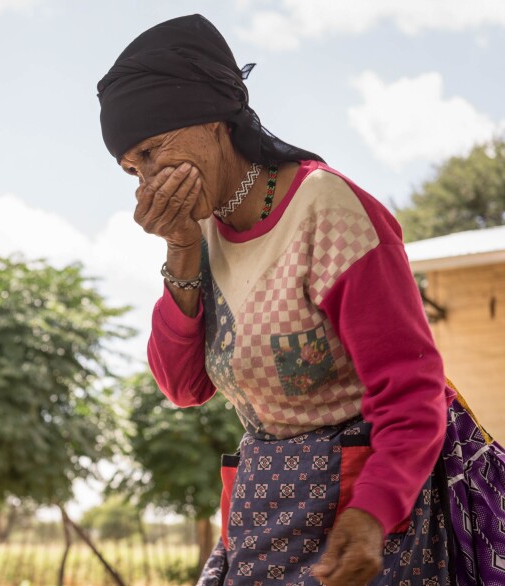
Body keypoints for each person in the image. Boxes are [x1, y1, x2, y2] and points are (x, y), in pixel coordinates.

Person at [98, 14, 505, 586]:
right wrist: (182, 248)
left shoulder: (327, 211)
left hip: (364, 519)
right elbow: (184, 387)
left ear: (212, 120)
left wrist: (371, 515)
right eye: (130, 167)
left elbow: (412, 392)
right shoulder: (202, 232)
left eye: (153, 149)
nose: (144, 181)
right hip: (265, 509)